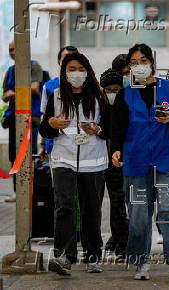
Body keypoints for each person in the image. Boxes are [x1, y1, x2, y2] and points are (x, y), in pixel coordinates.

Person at [111, 43, 169, 282]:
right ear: (129, 67)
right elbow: (118, 126)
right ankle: (140, 261)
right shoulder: (126, 93)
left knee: (168, 208)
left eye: (143, 61)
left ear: (151, 63)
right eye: (134, 62)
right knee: (139, 212)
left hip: (166, 158)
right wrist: (115, 149)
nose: (139, 66)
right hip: (136, 160)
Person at [39, 53, 110, 275]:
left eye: (80, 68)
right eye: (71, 68)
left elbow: (110, 128)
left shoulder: (99, 97)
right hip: (63, 159)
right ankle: (63, 257)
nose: (76, 73)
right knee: (64, 207)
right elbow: (44, 129)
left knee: (91, 210)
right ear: (64, 72)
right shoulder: (57, 95)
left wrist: (97, 129)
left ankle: (93, 256)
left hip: (93, 162)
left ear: (87, 71)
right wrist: (51, 123)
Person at [1, 41, 43, 202]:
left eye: (15, 49)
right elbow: (4, 95)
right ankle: (16, 191)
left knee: (29, 153)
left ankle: (30, 190)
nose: (12, 52)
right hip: (13, 117)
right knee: (14, 154)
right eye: (10, 49)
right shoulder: (10, 70)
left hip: (31, 117)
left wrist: (14, 93)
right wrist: (11, 94)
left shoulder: (34, 66)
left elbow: (34, 88)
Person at [99, 68, 129, 258]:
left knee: (121, 202)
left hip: (121, 160)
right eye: (108, 89)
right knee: (106, 203)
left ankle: (123, 241)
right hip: (100, 161)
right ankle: (115, 239)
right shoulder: (98, 108)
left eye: (116, 89)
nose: (112, 93)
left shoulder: (125, 107)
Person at [40, 45, 79, 159]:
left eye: (74, 58)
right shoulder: (49, 87)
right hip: (55, 145)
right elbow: (45, 117)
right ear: (59, 61)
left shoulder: (88, 87)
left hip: (83, 146)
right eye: (66, 58)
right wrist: (42, 144)